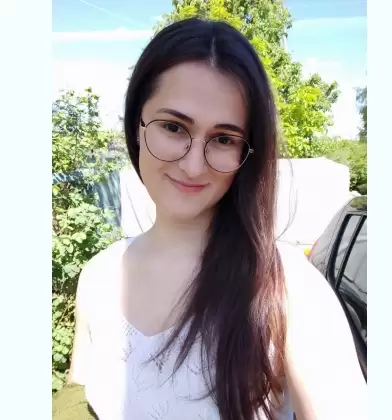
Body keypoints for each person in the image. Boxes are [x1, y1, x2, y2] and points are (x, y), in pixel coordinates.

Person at [66, 18, 367, 420]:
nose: (193, 165)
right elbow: (78, 400)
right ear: (136, 126)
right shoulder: (98, 277)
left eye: (224, 139)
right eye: (173, 127)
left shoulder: (285, 287)